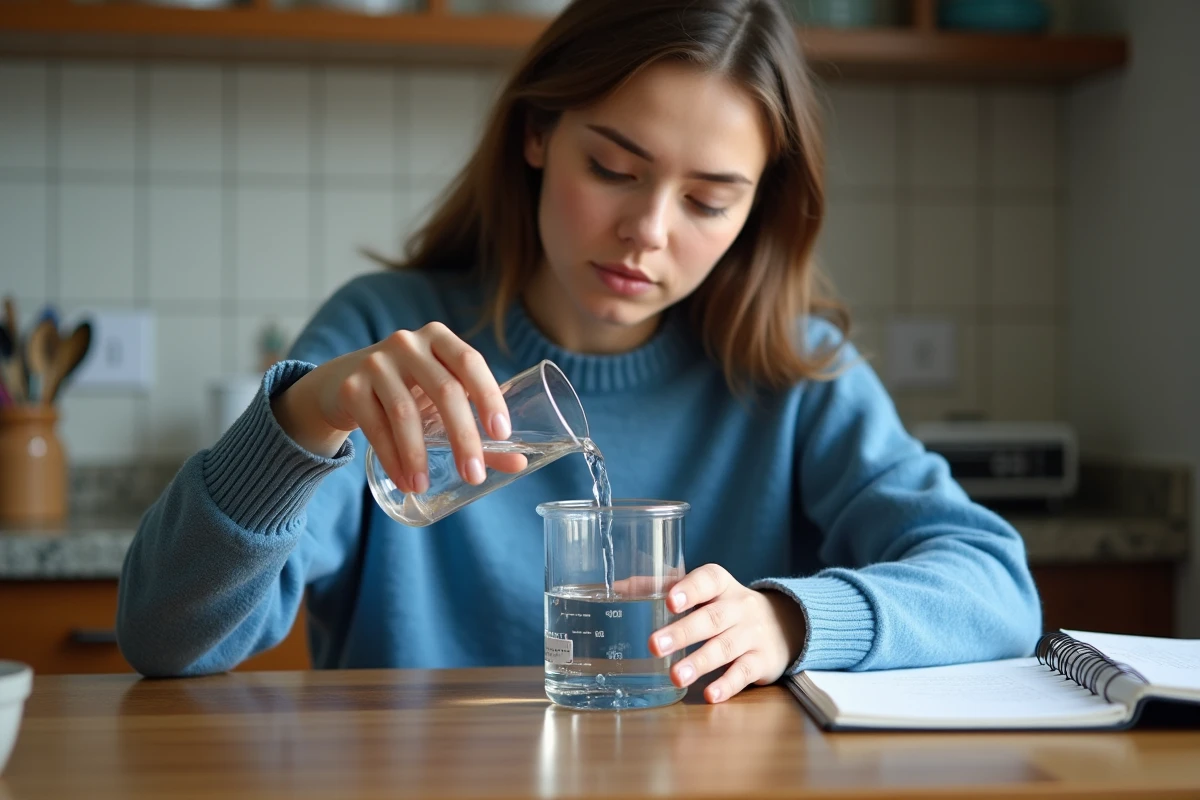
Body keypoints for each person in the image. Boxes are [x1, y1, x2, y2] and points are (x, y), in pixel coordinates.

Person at [117, 0, 1041, 703]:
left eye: (708, 200)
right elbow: (166, 636)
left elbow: (995, 589)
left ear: (757, 209)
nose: (646, 231)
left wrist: (791, 619)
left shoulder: (795, 373)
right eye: (612, 169)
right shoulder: (385, 338)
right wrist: (301, 418)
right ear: (536, 134)